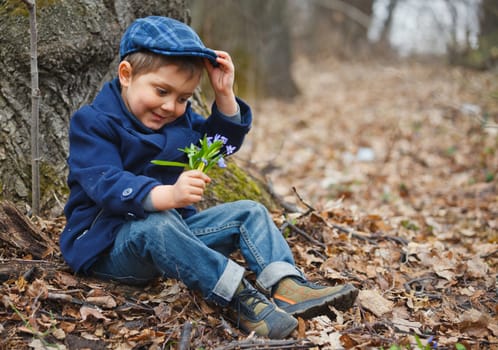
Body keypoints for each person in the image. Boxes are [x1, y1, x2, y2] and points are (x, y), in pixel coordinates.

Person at [60, 16, 358, 339]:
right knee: (156, 224)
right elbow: (106, 184)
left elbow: (218, 146)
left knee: (250, 211)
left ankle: (288, 287)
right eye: (161, 91)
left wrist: (224, 96)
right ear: (126, 75)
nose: (170, 106)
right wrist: (168, 196)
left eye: (183, 98)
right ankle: (238, 298)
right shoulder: (93, 123)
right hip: (108, 244)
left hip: (176, 237)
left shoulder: (178, 121)